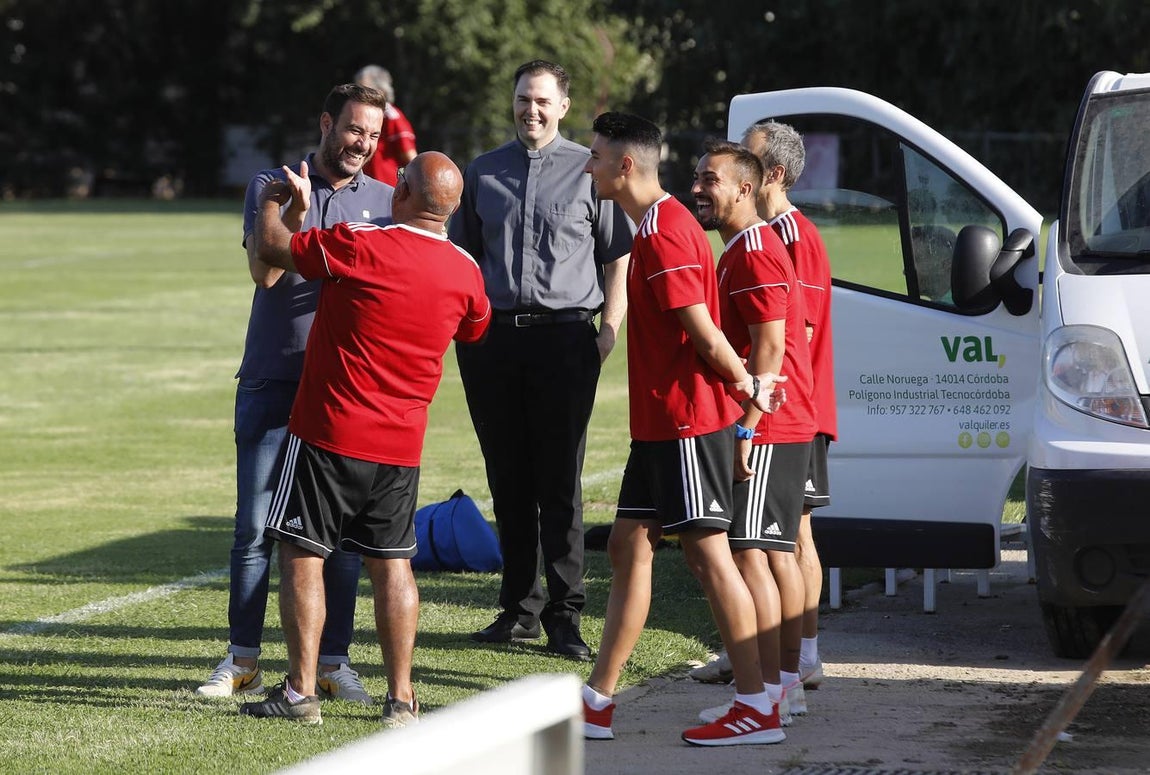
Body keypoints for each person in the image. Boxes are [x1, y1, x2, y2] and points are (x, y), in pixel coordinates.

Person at [238, 152, 492, 726]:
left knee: (302, 554)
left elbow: (275, 249)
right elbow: (475, 329)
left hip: (329, 431)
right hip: (401, 445)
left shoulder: (360, 242)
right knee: (392, 564)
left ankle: (301, 692)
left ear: (402, 194)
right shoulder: (466, 269)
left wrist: (276, 200)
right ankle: (401, 698)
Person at [578, 111, 787, 747]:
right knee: (627, 546)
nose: (588, 166)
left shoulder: (666, 230)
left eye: (596, 156)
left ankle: (757, 706)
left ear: (625, 166)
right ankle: (596, 703)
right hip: (659, 423)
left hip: (688, 422)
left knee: (710, 557)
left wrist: (747, 387)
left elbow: (705, 334)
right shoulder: (653, 226)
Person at [197, 83, 394, 705]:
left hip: (344, 390)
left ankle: (333, 664)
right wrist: (298, 217)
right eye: (354, 130)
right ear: (327, 123)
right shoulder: (273, 185)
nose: (363, 144)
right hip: (273, 377)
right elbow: (265, 273)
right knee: (254, 527)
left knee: (338, 536)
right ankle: (243, 660)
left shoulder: (387, 201)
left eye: (373, 135)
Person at [447, 60, 633, 660]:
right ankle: (519, 609)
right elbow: (461, 260)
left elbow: (618, 257)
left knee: (559, 483)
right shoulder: (482, 172)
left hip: (565, 340)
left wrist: (609, 330)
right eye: (524, 99)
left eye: (543, 101)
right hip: (493, 342)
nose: (532, 109)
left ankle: (565, 613)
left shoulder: (589, 169)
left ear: (563, 107)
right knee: (507, 479)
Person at [689, 121, 837, 696]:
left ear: (756, 180)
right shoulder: (749, 244)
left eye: (718, 175)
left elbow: (779, 342)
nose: (700, 188)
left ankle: (781, 683)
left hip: (780, 417)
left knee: (769, 548)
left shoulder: (772, 243)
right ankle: (780, 678)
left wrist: (747, 426)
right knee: (770, 548)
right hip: (779, 412)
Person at [745, 120, 836, 694]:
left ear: (774, 174)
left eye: (748, 158)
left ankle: (799, 658)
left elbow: (791, 332)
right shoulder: (773, 232)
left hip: (793, 409)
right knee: (785, 537)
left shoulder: (792, 236)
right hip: (789, 405)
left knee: (790, 537)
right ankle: (780, 656)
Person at [354, 65, 418, 187]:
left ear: (380, 91)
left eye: (364, 90)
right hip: (364, 186)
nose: (357, 95)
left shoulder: (392, 117)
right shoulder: (361, 116)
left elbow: (411, 159)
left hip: (388, 189)